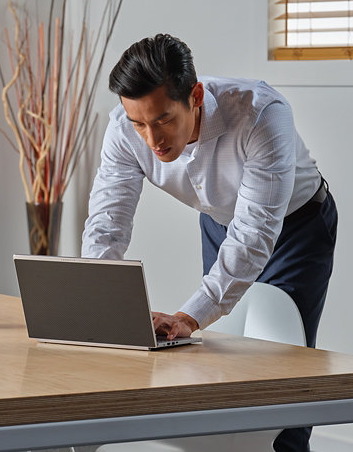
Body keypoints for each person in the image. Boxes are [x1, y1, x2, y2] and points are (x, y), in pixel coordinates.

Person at [80, 34, 338, 452]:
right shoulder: (123, 129)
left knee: (282, 373)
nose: (151, 138)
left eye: (163, 119)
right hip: (220, 222)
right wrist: (103, 301)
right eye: (138, 123)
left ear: (195, 96)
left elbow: (255, 235)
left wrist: (187, 316)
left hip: (297, 228)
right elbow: (107, 223)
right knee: (220, 361)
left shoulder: (262, 114)